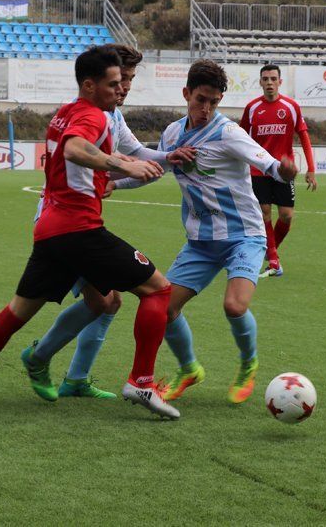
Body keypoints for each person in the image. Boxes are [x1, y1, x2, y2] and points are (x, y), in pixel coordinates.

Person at [0, 46, 180, 419]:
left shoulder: (64, 112)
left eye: (123, 82)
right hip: (80, 230)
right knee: (159, 289)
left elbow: (78, 158)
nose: (119, 90)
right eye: (113, 83)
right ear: (89, 85)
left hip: (49, 231)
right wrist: (122, 164)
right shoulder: (94, 117)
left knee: (17, 312)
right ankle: (141, 382)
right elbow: (74, 150)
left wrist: (127, 166)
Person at [109, 60, 298, 404]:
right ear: (186, 94)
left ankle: (248, 364)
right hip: (201, 242)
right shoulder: (171, 134)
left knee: (234, 306)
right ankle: (189, 369)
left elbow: (268, 163)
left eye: (213, 102)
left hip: (244, 235)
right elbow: (154, 170)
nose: (206, 109)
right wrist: (114, 186)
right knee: (164, 309)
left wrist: (284, 171)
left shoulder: (228, 133)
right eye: (200, 100)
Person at [22, 45, 195, 402]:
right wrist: (118, 170)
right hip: (64, 223)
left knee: (108, 302)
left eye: (130, 79)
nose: (126, 86)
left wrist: (167, 157)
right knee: (112, 300)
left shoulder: (114, 116)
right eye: (122, 78)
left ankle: (74, 377)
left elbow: (137, 153)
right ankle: (40, 358)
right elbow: (81, 151)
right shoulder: (87, 114)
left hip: (79, 221)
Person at [239, 64, 317, 278]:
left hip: (283, 172)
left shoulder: (291, 107)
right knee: (264, 212)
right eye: (266, 79)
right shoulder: (252, 108)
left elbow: (304, 137)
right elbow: (241, 139)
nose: (270, 82)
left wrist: (311, 168)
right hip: (257, 170)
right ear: (261, 82)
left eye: (274, 78)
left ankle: (269, 250)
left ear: (280, 82)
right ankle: (274, 261)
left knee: (286, 216)